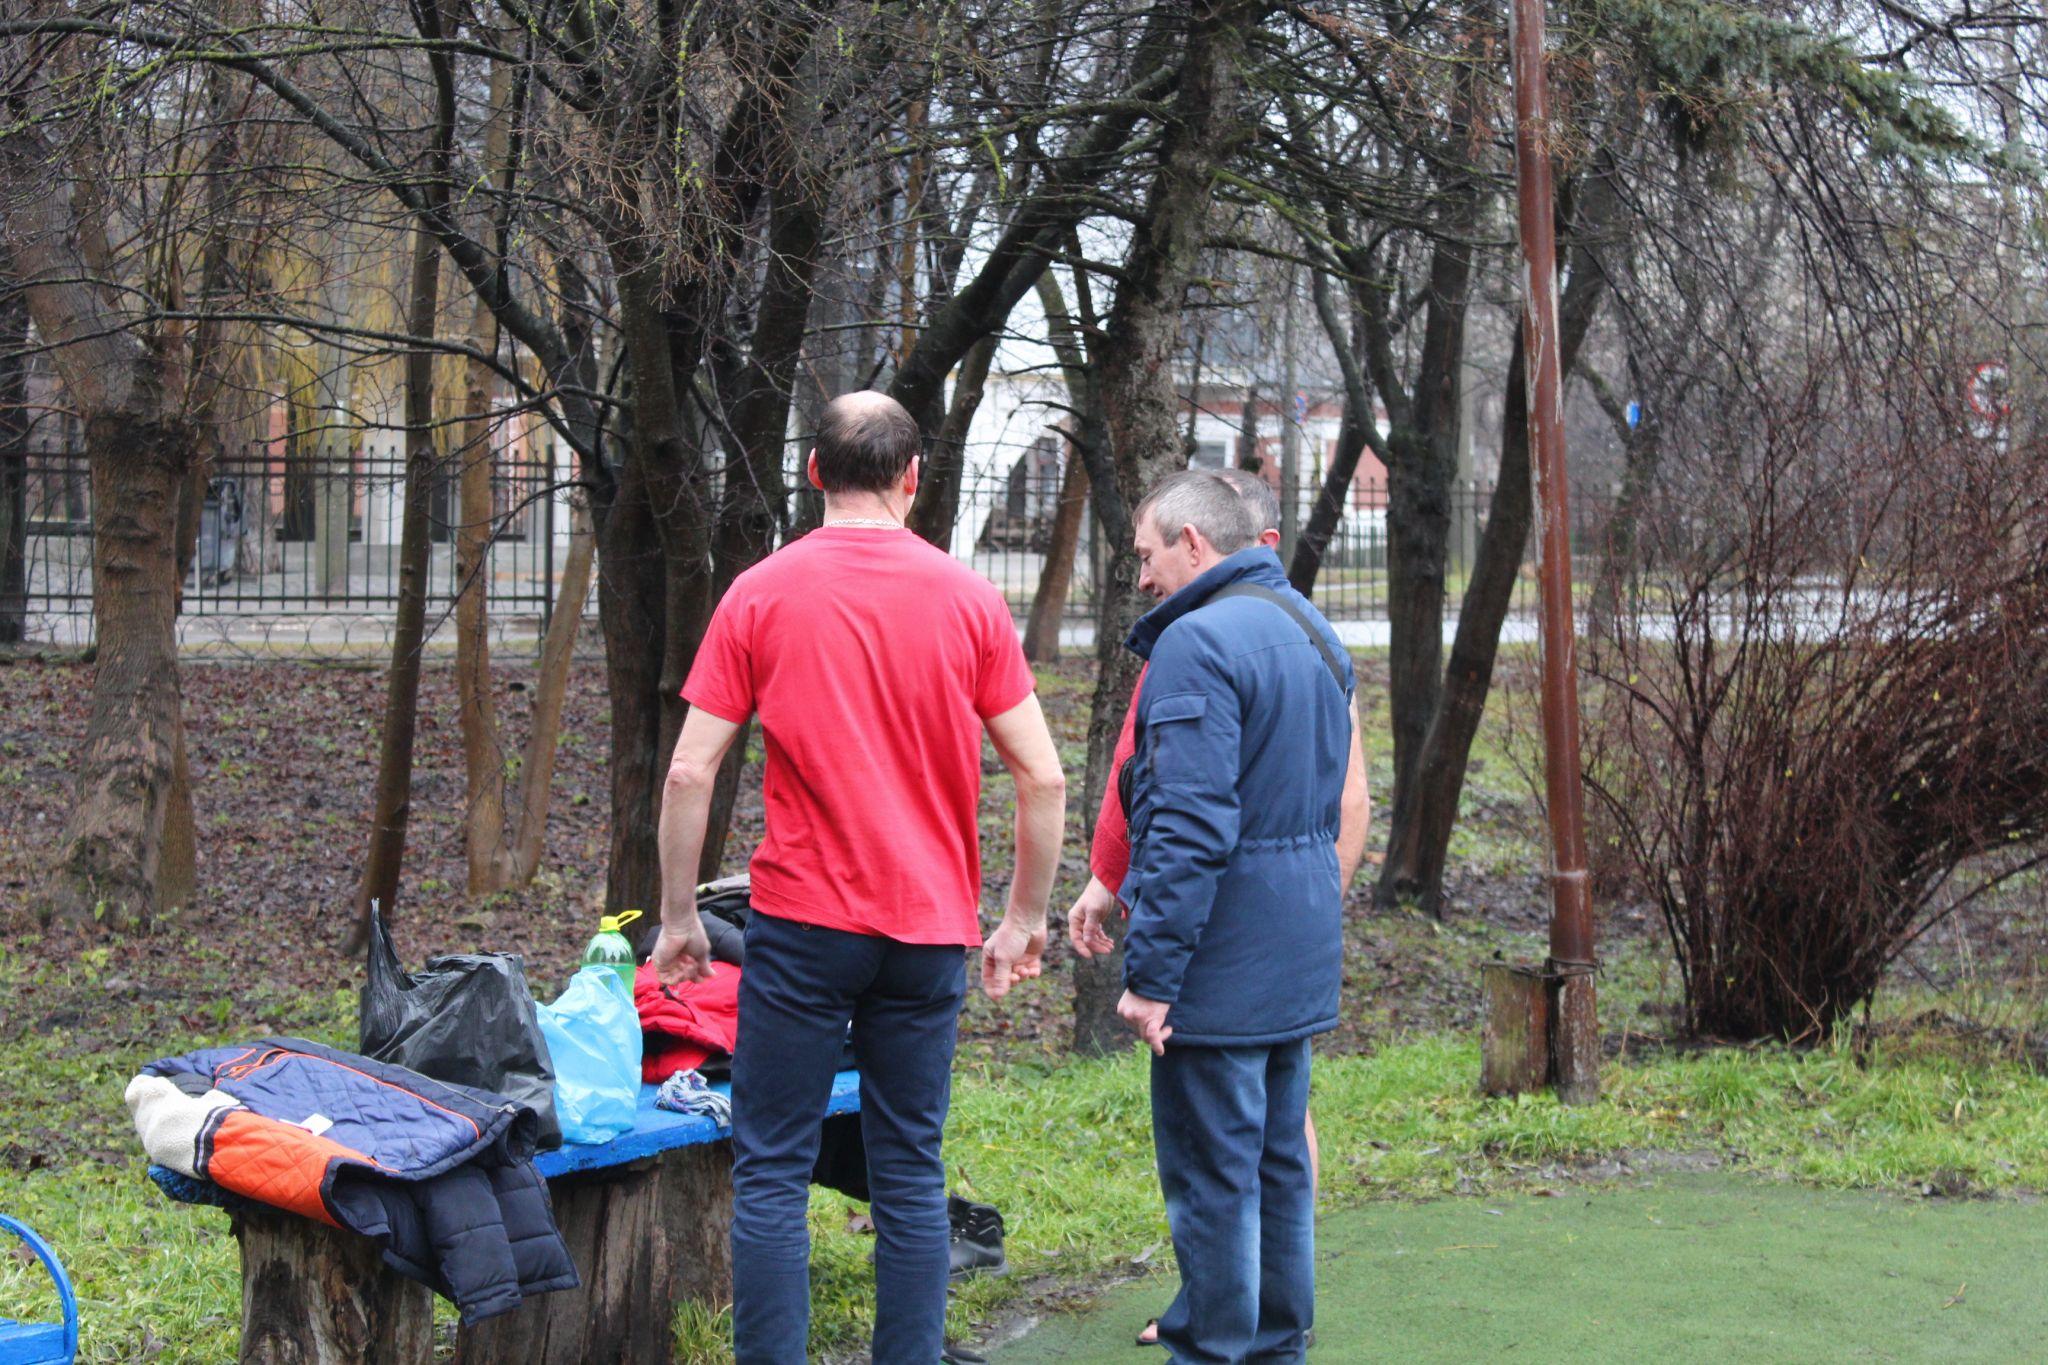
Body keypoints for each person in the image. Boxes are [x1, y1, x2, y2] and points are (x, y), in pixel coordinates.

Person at [652, 391, 1066, 1365]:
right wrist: (1021, 921)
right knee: (910, 1172)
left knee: (770, 1175)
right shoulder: (967, 598)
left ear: (811, 474)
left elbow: (686, 771)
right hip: (927, 935)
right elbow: (1041, 775)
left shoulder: (759, 591)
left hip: (802, 931)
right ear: (912, 479)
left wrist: (679, 920)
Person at [1069, 467, 1369, 1348]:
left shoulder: (1196, 644)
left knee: (1214, 1182)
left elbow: (1191, 826)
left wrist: (1152, 977)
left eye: (1147, 554)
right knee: (1279, 1170)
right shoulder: (1312, 629)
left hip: (1222, 963)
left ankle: (1215, 1349)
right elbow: (1329, 802)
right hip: (1297, 953)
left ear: (1193, 544)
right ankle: (1279, 1347)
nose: (1143, 576)